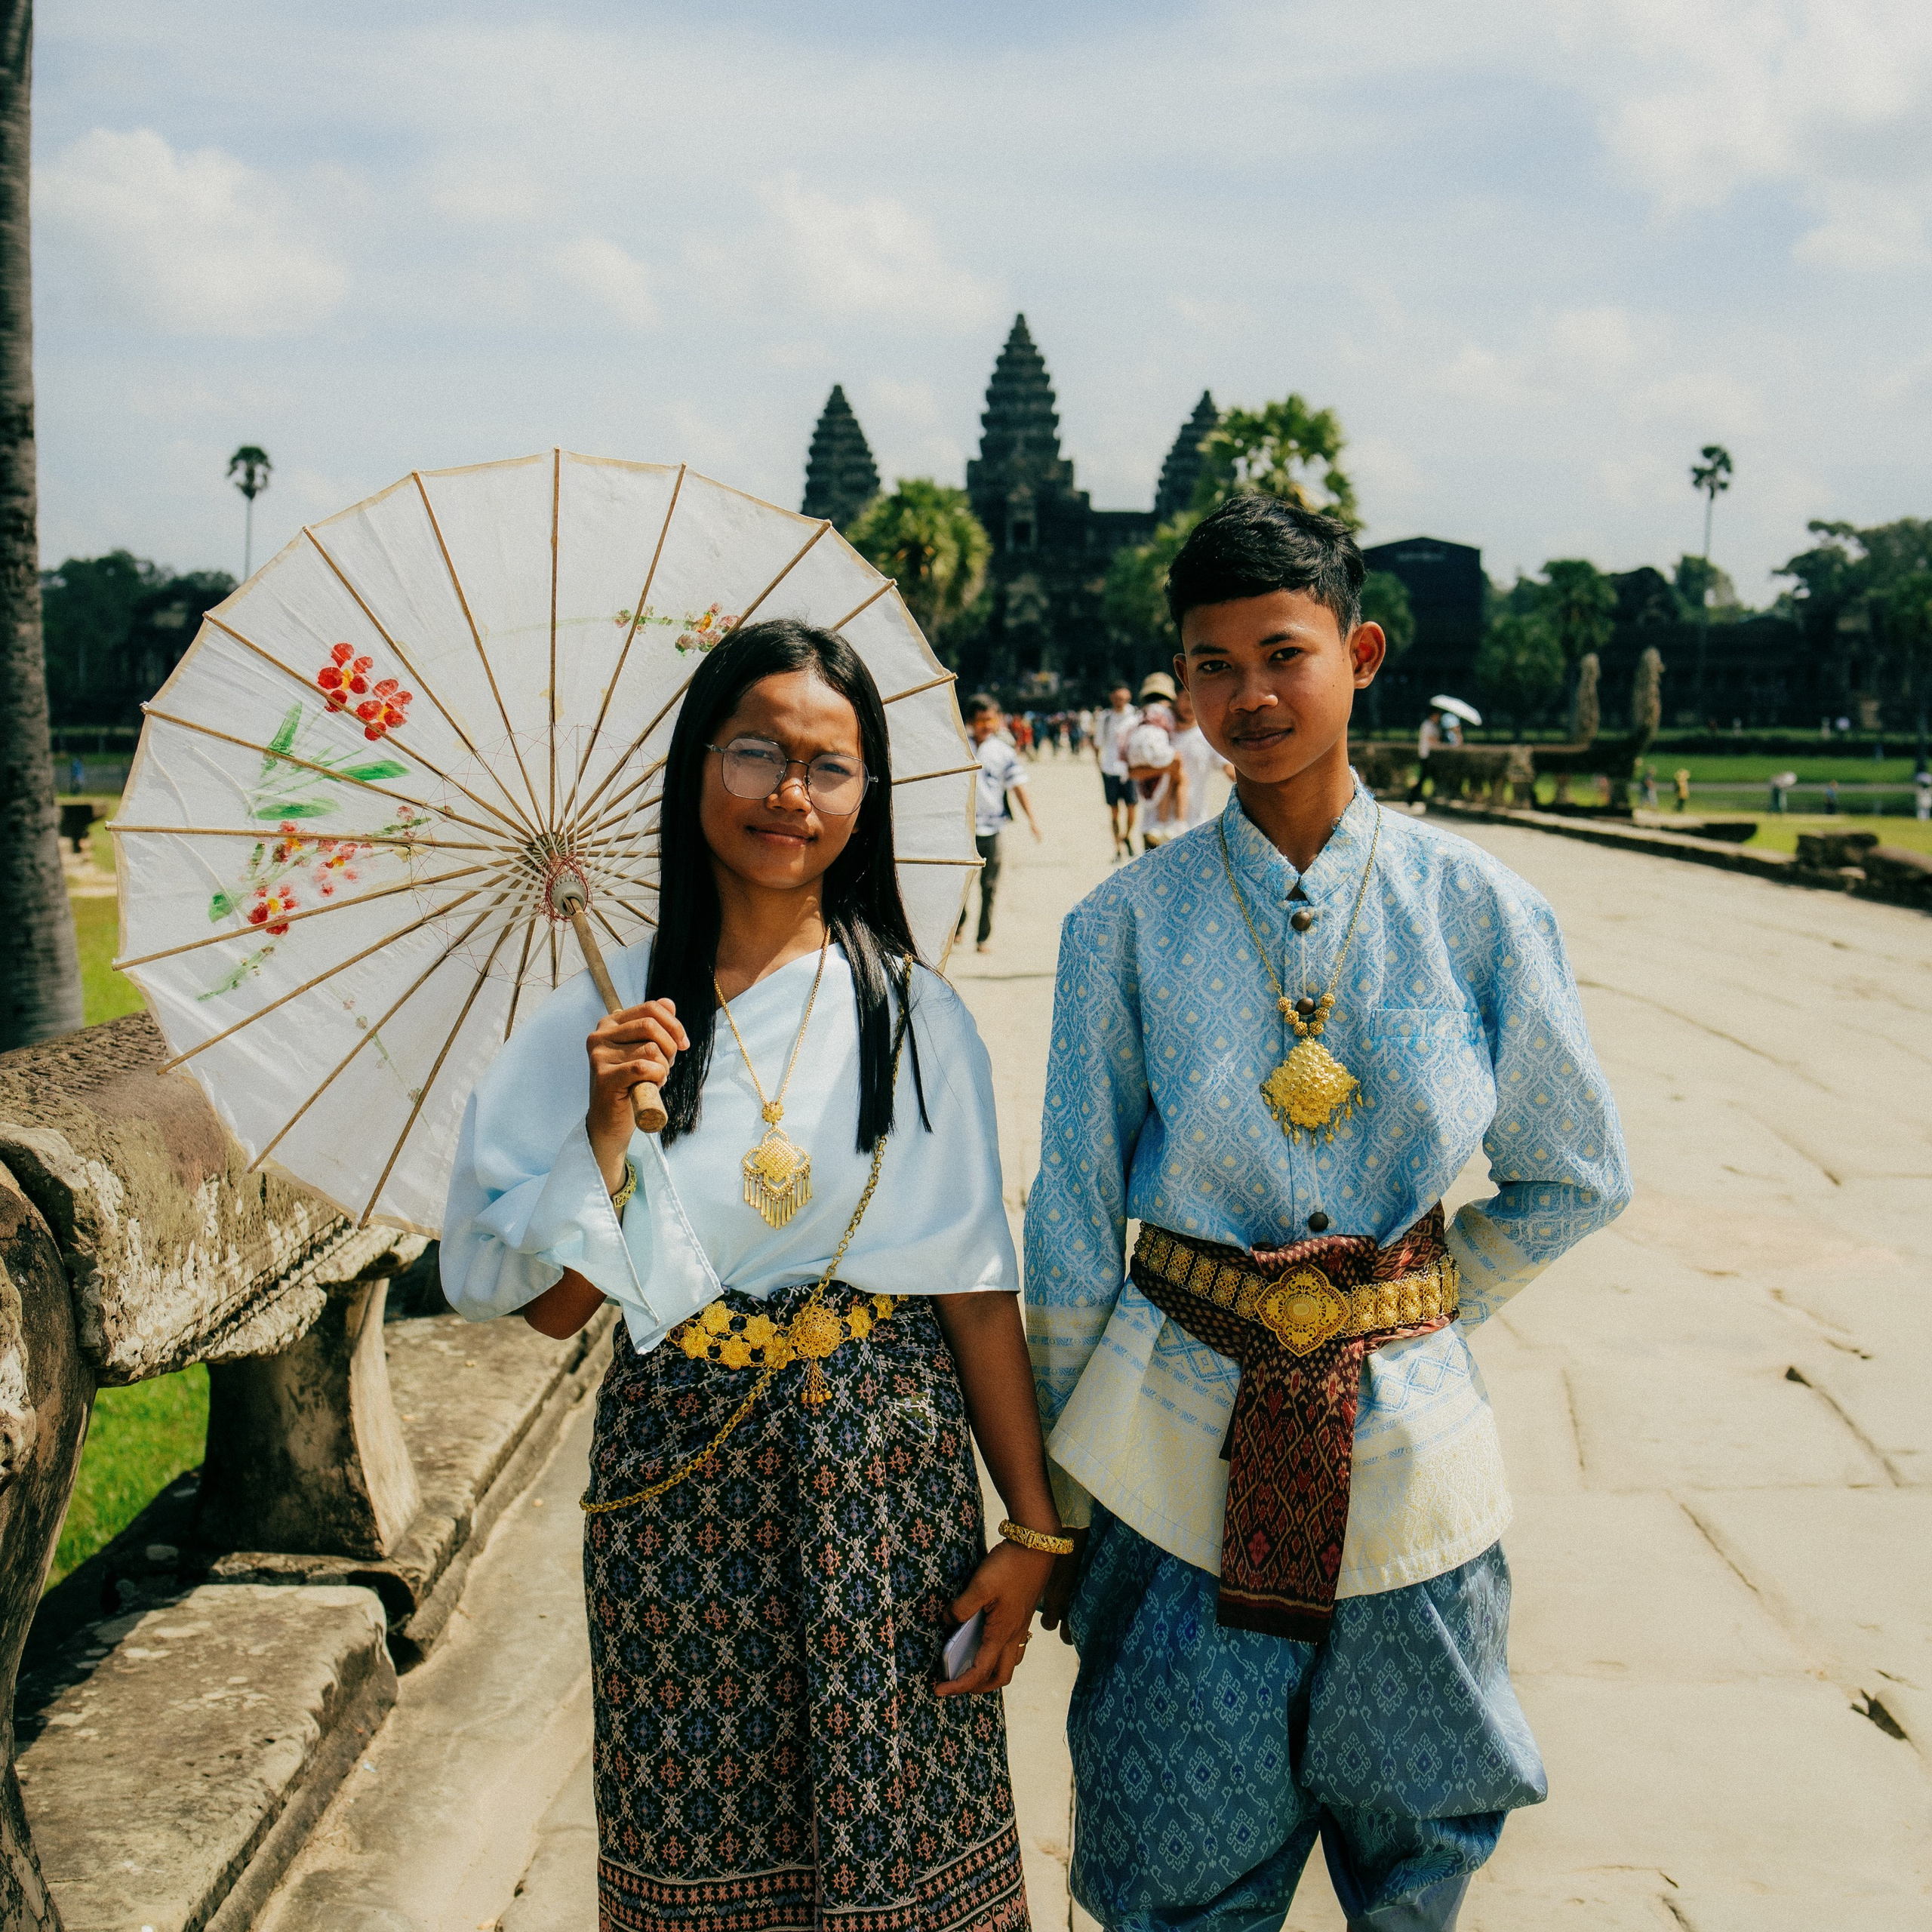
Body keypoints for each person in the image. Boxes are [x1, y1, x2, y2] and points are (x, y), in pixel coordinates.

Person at [1026, 496, 1631, 1932]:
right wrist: (1052, 1503)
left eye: (1281, 655)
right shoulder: (1124, 926)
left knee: (1419, 1859)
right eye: (1210, 666)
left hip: (1412, 1461)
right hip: (1169, 1458)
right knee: (1176, 1878)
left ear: (1360, 656)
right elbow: (1070, 1213)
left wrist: (1418, 1297)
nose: (1246, 697)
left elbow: (1578, 1170)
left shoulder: (1477, 907)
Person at [442, 619, 1066, 1932]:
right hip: (680, 1491)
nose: (791, 794)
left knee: (909, 1849)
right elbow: (555, 1311)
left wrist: (1033, 1528)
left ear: (866, 796)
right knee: (699, 1858)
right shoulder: (600, 1026)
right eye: (757, 754)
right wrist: (607, 1130)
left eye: (828, 767)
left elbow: (971, 1285)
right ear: (698, 770)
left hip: (888, 1482)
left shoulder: (915, 1014)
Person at [960, 692, 1041, 952]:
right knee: (959, 885)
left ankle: (983, 937)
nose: (987, 725)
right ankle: (958, 925)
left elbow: (1017, 786)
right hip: (963, 830)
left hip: (992, 829)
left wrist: (1032, 820)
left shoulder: (1002, 751)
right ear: (971, 721)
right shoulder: (958, 747)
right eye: (982, 720)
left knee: (990, 887)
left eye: (991, 720)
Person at [1173, 685, 1233, 832]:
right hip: (1156, 826)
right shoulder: (1160, 733)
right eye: (1187, 698)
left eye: (1195, 699)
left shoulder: (1207, 737)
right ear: (1176, 698)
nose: (1190, 705)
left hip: (1194, 825)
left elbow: (1229, 770)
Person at [1094, 681, 1141, 863]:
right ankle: (1118, 846)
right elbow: (1098, 742)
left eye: (1122, 699)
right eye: (1116, 698)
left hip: (1130, 770)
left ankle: (1127, 836)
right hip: (1110, 769)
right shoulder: (1105, 718)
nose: (1119, 702)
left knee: (1131, 809)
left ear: (1128, 697)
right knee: (1114, 812)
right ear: (1111, 698)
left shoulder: (1135, 715)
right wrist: (1098, 764)